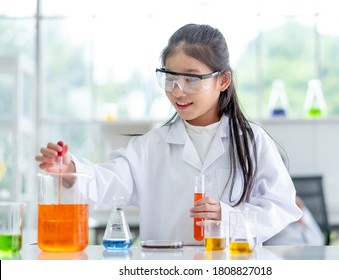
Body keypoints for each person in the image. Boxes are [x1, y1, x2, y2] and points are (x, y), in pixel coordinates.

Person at [35, 23, 302, 245]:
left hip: (229, 266)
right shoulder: (152, 146)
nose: (177, 91)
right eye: (170, 78)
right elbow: (109, 184)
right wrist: (70, 170)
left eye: (191, 78)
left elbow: (281, 207)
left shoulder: (251, 141)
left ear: (223, 80)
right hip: (165, 267)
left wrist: (228, 216)